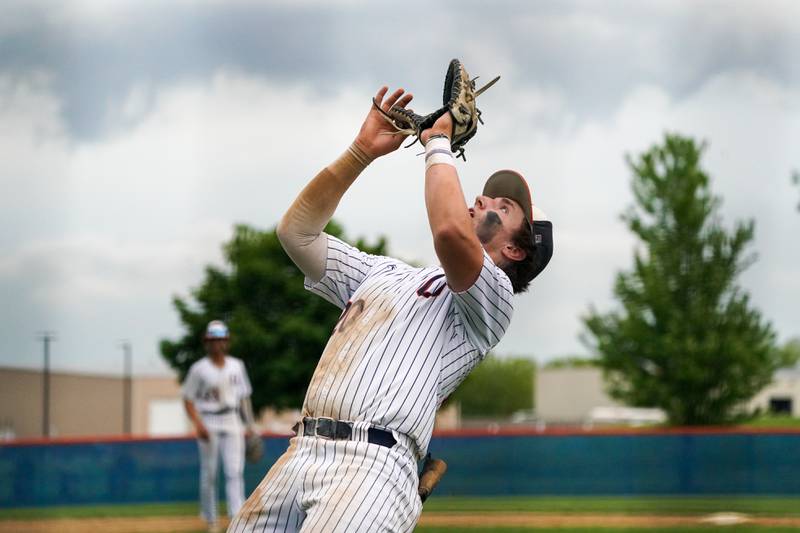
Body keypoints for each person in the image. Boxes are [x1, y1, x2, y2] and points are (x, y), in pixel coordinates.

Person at [227, 86, 553, 533]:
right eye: (487, 195)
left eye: (503, 206)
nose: (483, 200)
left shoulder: (492, 299)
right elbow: (297, 233)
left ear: (516, 250)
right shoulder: (385, 273)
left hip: (372, 468)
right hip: (300, 451)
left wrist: (438, 141)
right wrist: (361, 151)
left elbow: (450, 234)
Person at [183, 320, 258, 533]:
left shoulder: (237, 365)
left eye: (221, 339)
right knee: (210, 473)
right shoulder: (199, 369)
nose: (218, 343)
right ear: (207, 342)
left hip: (232, 419)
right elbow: (188, 399)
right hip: (209, 419)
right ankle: (211, 520)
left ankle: (237, 518)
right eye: (214, 339)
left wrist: (251, 426)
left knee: (235, 471)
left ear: (227, 341)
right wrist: (198, 424)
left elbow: (244, 398)